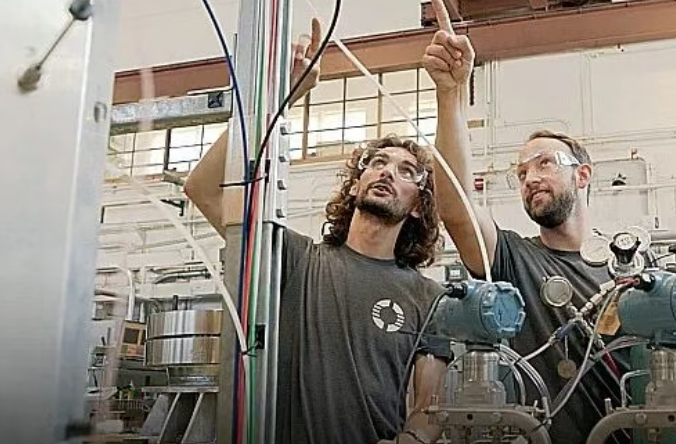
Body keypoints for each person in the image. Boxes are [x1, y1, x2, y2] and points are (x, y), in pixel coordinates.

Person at [184, 19, 450, 444]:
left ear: (418, 206)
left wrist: (413, 440)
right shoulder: (295, 259)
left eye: (406, 171)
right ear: (356, 184)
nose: (387, 172)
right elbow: (203, 188)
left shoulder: (429, 298)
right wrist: (279, 99)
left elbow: (429, 410)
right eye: (377, 162)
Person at [422, 3, 628, 443]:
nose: (530, 177)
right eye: (520, 173)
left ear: (582, 175)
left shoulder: (628, 269)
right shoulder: (515, 259)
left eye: (544, 163)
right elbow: (456, 209)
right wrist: (450, 96)